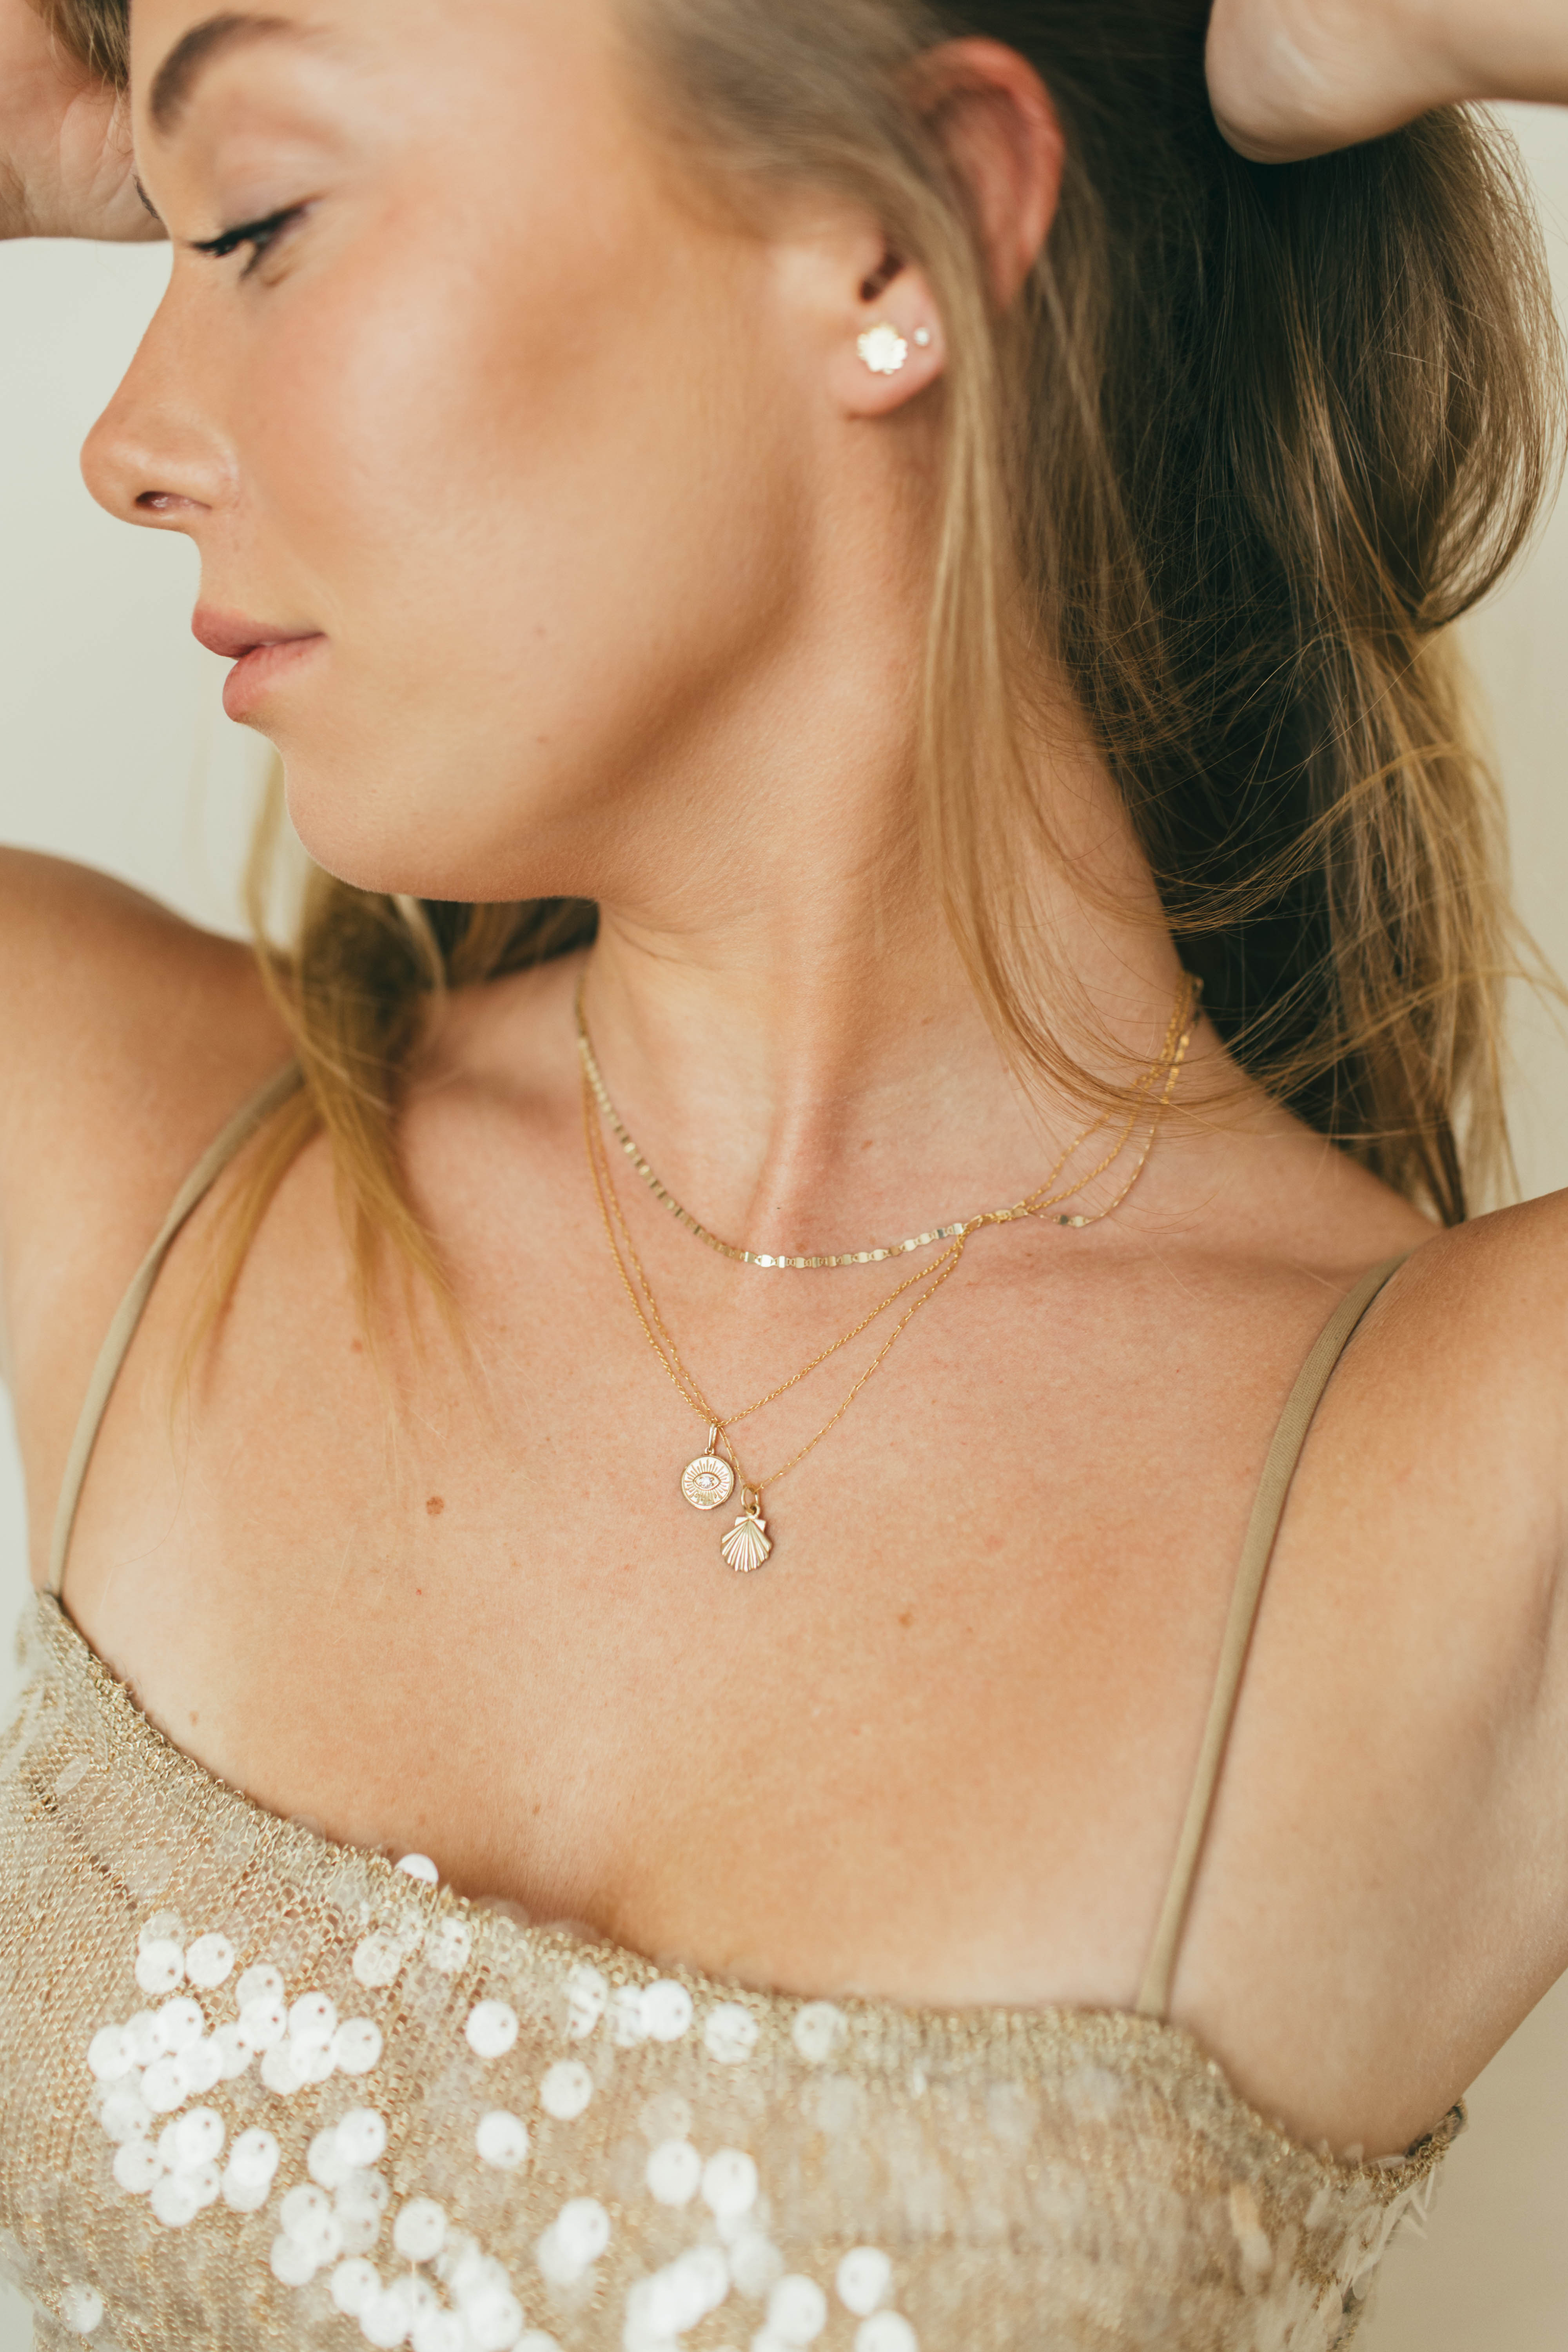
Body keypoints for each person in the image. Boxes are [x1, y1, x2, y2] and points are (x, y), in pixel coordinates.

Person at [0, 0, 1564, 2345]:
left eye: (261, 221)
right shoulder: (125, 1143)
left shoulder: (1468, 1464)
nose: (124, 440)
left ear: (875, 241)